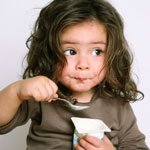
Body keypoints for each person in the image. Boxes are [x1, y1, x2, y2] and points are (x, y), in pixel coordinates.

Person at [0, 0, 149, 149]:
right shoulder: (42, 93)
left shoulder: (118, 105)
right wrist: (16, 92)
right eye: (71, 51)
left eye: (97, 51)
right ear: (49, 53)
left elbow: (138, 146)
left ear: (113, 55)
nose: (83, 64)